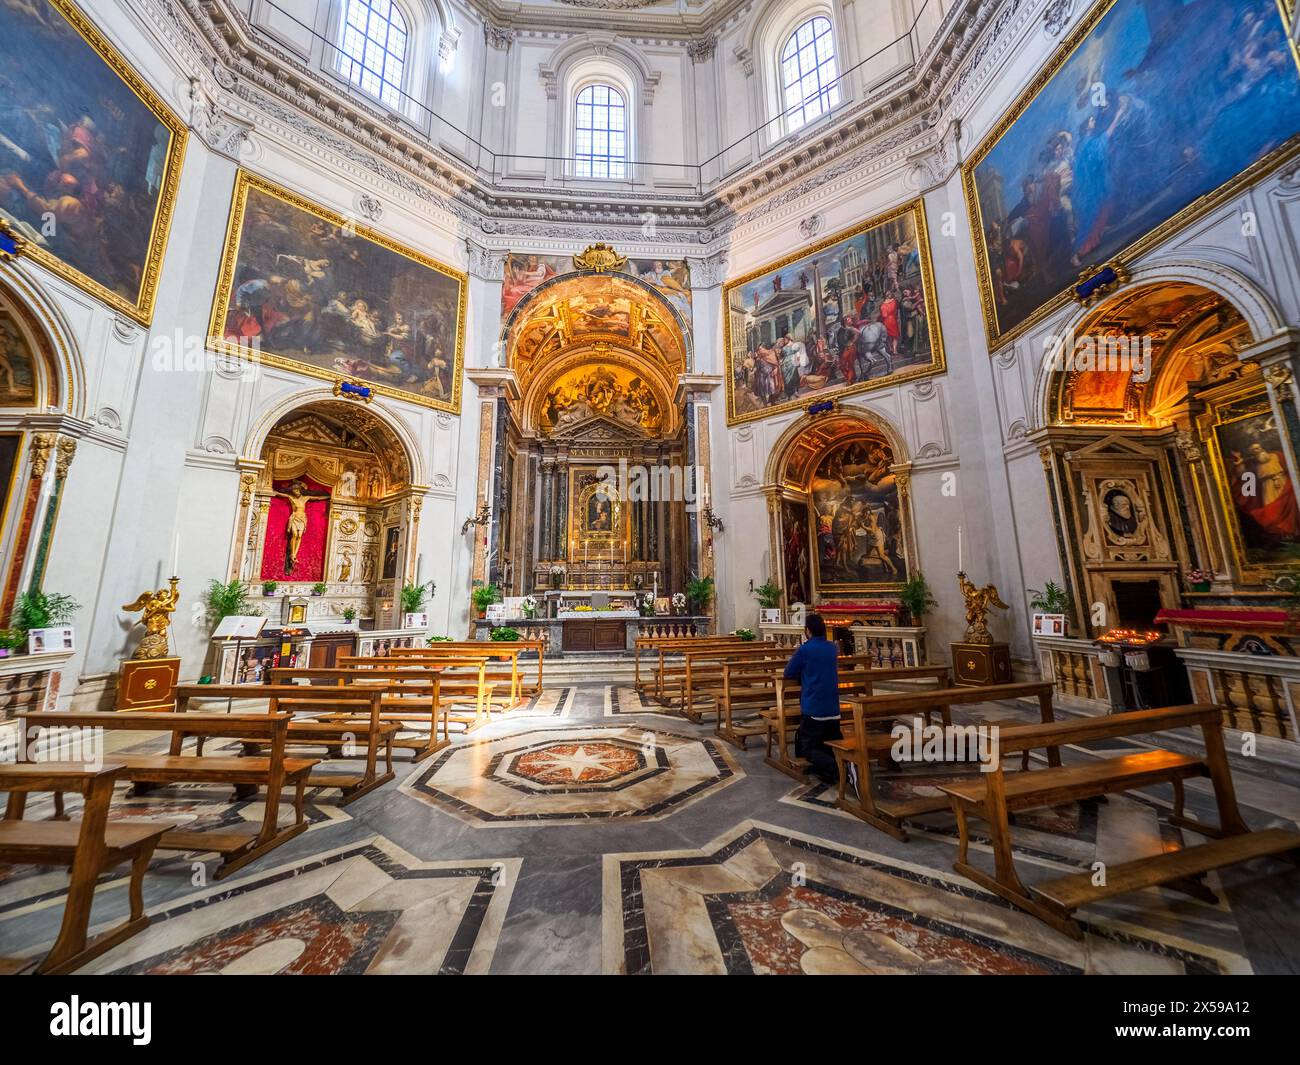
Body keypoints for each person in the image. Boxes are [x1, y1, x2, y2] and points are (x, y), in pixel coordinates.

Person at [783, 614, 844, 788]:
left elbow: (788, 673)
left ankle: (837, 769)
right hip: (833, 708)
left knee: (808, 748)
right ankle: (830, 766)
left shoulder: (805, 650)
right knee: (828, 743)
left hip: (814, 708)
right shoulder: (832, 648)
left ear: (807, 631)